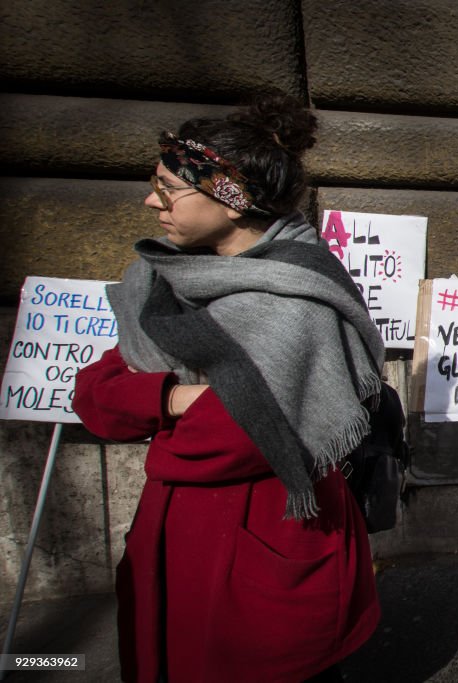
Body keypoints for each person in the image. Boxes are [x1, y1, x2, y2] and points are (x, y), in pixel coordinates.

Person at [72, 94, 385, 682]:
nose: (151, 201)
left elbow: (223, 445)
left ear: (231, 199)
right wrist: (171, 399)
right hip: (172, 543)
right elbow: (93, 395)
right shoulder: (162, 281)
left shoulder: (295, 300)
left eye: (169, 189)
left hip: (265, 539)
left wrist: (153, 406)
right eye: (154, 183)